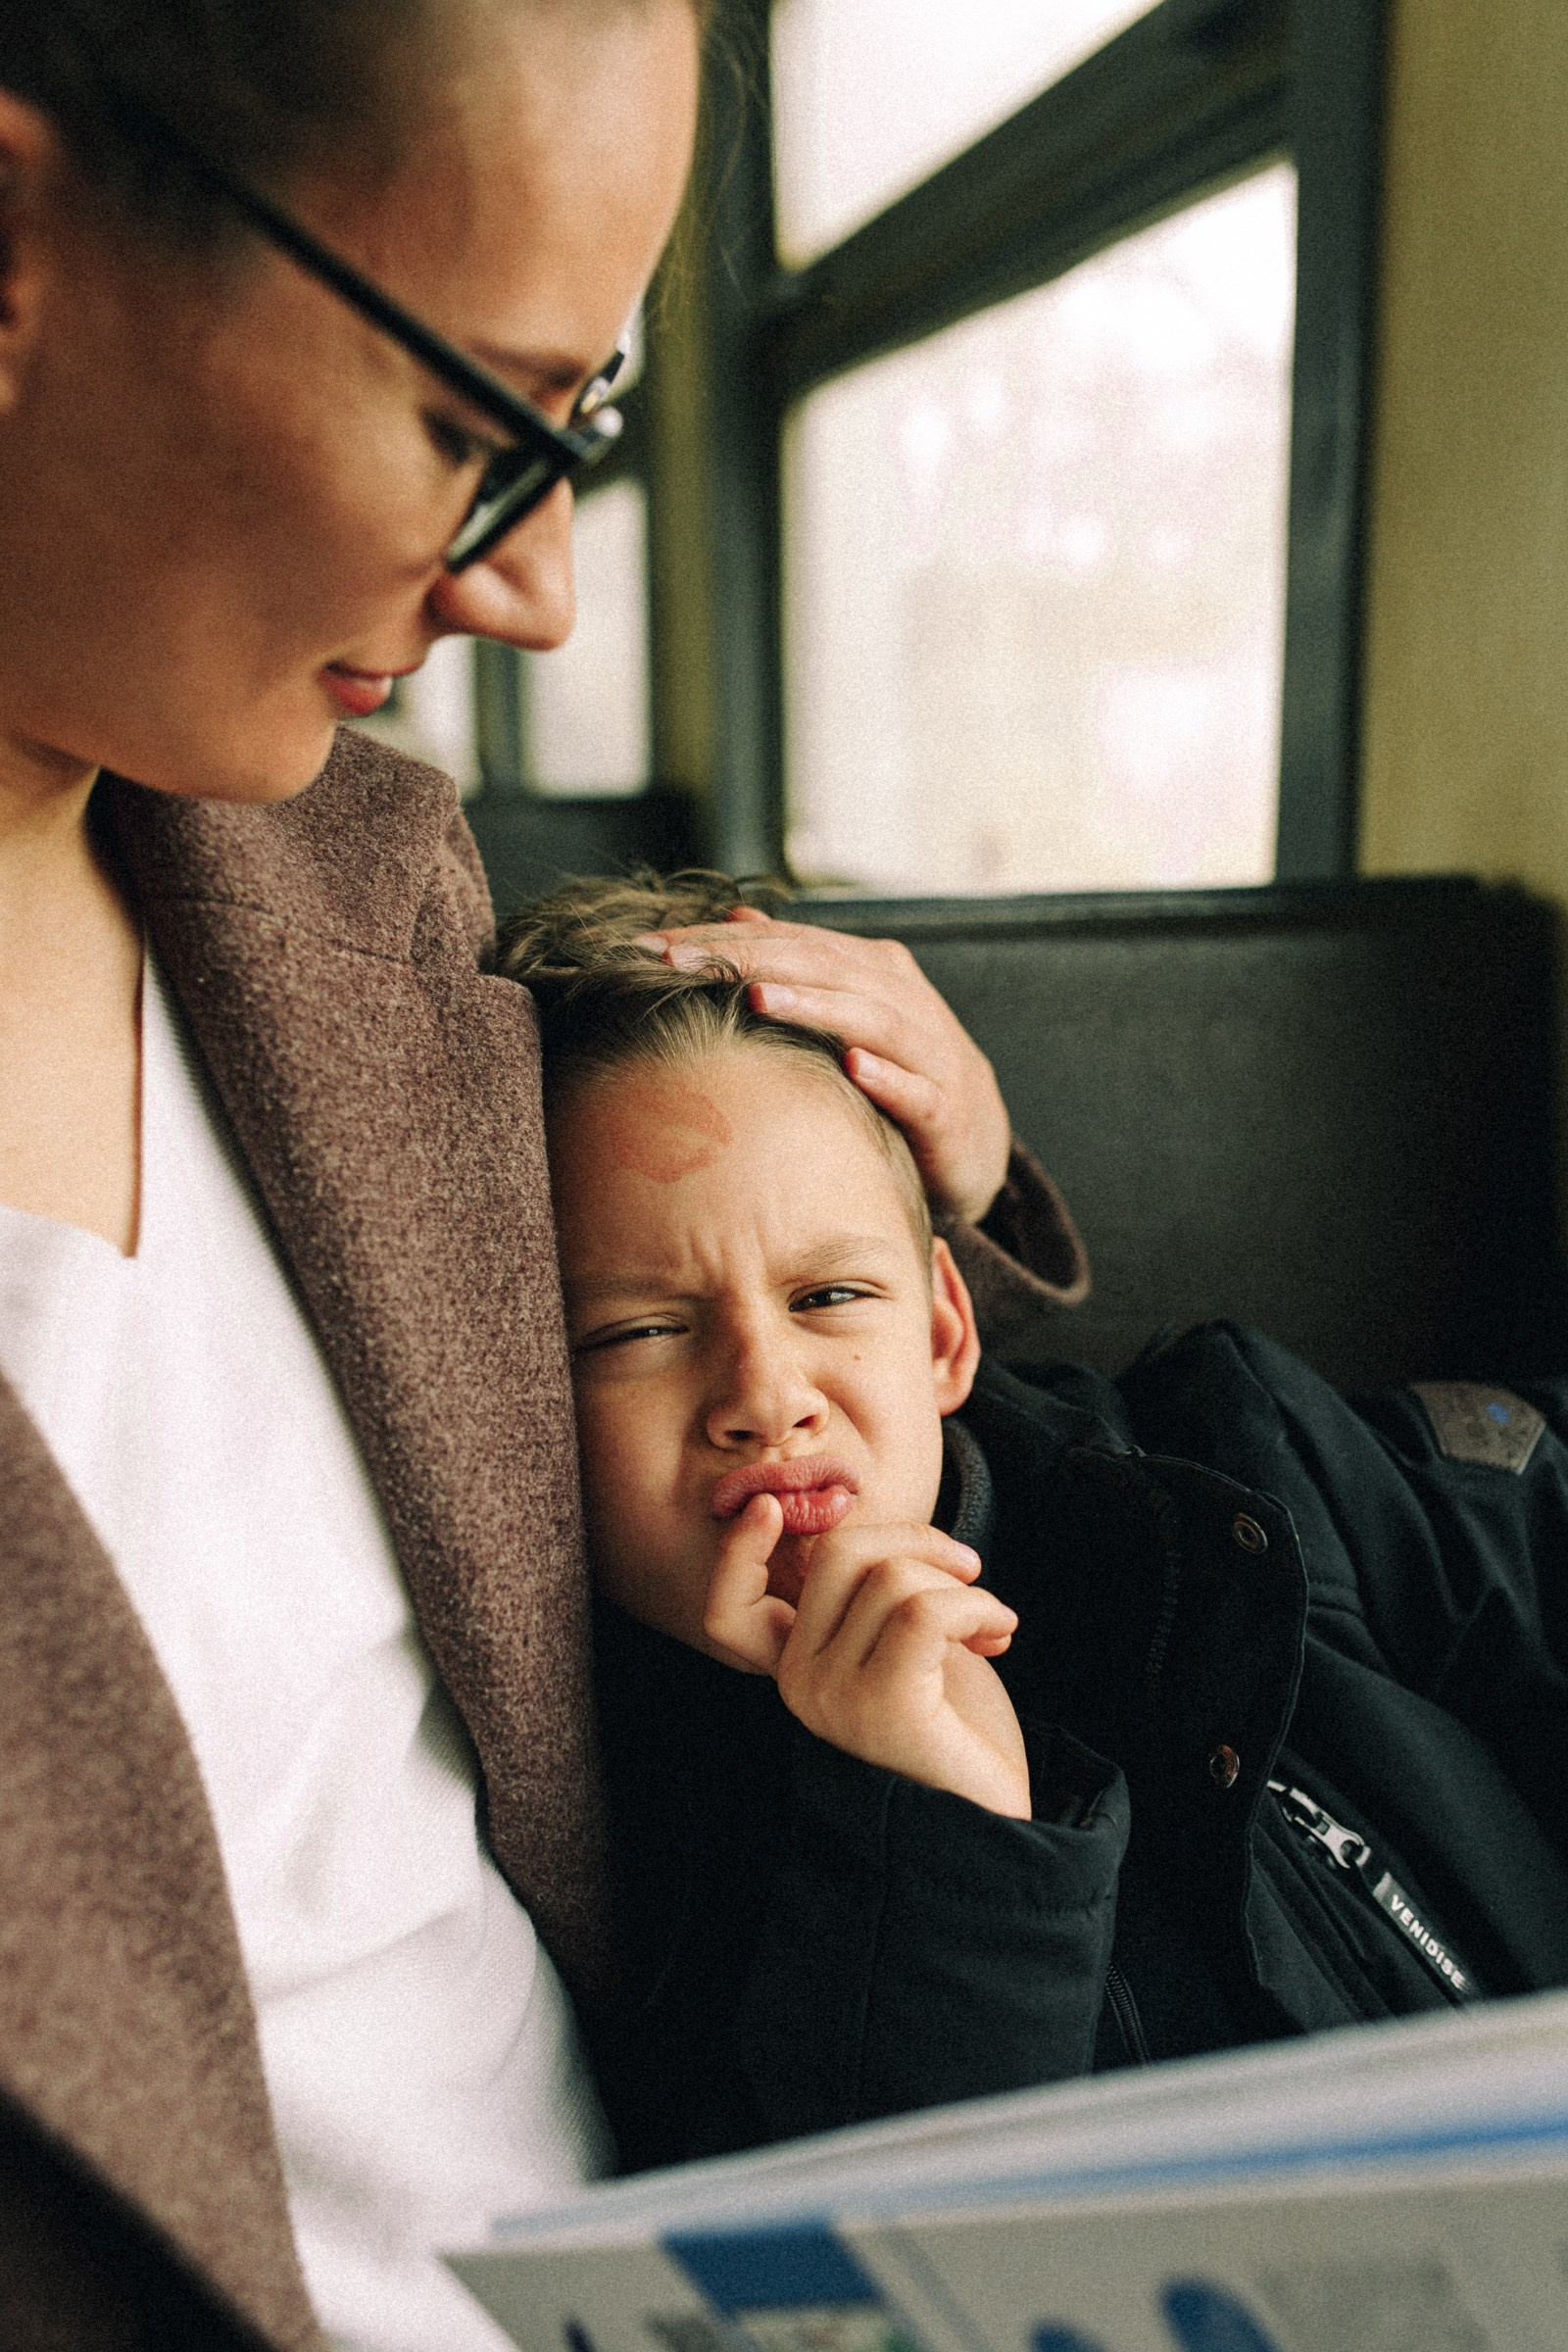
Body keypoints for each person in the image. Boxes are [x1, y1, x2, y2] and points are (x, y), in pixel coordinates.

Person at [0, 10, 1091, 2348]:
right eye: (474, 425)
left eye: (575, 434)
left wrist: (958, 1172)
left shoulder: (376, 921)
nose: (540, 594)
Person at [499, 874, 1568, 2178]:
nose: (767, 1398)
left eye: (830, 1295)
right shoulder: (603, 1862)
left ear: (945, 1332)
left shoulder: (1242, 1474)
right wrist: (944, 1835)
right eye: (637, 1333)